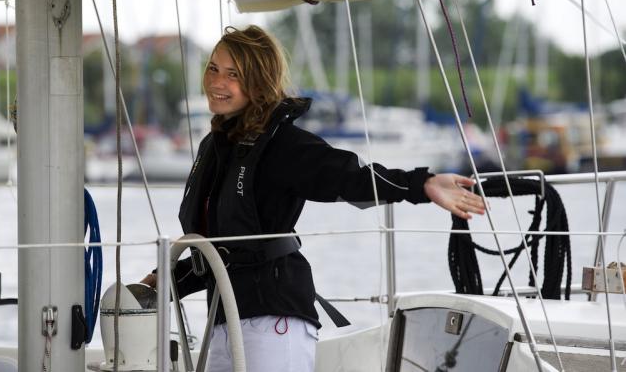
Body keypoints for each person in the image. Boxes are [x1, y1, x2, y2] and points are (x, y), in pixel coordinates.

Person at [142, 25, 485, 372]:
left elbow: (349, 177)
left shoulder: (282, 145)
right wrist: (168, 279)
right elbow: (219, 246)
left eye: (234, 74)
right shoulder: (216, 147)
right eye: (213, 68)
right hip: (224, 318)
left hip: (274, 319)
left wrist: (421, 184)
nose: (217, 82)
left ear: (258, 82)